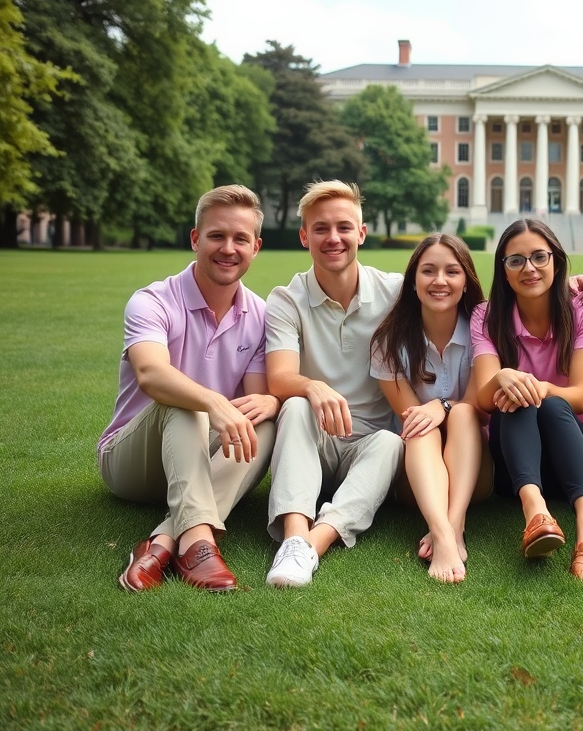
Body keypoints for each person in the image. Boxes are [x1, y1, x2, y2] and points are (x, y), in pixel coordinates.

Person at [99, 185, 278, 592]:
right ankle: (197, 542)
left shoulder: (260, 315)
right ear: (195, 238)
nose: (228, 248)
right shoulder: (152, 301)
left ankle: (161, 542)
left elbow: (250, 401)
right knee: (185, 403)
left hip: (199, 460)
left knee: (265, 422)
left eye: (240, 239)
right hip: (132, 464)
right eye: (217, 236)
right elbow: (151, 374)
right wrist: (212, 400)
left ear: (256, 247)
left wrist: (268, 400)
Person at [263, 180, 404, 588]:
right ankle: (293, 537)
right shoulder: (286, 299)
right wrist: (313, 386)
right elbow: (280, 377)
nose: (333, 238)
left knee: (393, 442)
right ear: (305, 236)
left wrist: (571, 289)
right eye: (320, 228)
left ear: (361, 233)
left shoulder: (394, 291)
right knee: (295, 403)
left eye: (344, 227)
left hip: (371, 446)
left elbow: (460, 296)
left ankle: (313, 544)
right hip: (314, 442)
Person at [469, 218, 583, 580]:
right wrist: (503, 376)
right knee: (512, 395)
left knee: (542, 399)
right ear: (503, 270)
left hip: (579, 452)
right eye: (515, 260)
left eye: (538, 257)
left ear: (556, 261)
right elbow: (483, 401)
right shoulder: (485, 316)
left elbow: (580, 397)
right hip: (514, 464)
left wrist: (537, 386)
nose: (528, 268)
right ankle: (535, 513)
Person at [370, 234, 492, 583]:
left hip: (475, 473)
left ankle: (453, 526)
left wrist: (444, 406)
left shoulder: (482, 330)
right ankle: (443, 532)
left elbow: (478, 407)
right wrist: (439, 408)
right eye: (428, 271)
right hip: (414, 479)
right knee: (419, 424)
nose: (440, 281)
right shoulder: (388, 340)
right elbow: (414, 418)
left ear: (466, 281)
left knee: (465, 414)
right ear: (412, 281)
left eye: (452, 272)